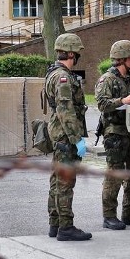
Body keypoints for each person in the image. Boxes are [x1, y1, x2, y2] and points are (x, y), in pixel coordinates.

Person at [95, 40, 130, 229]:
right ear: (123, 58)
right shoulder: (107, 79)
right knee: (115, 175)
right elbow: (101, 104)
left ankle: (129, 212)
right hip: (115, 133)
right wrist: (122, 100)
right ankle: (109, 216)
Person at [44, 33, 92, 242]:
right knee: (65, 182)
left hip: (59, 136)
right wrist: (77, 139)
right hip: (65, 137)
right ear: (71, 53)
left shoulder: (53, 73)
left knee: (56, 180)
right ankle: (66, 227)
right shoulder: (62, 77)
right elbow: (66, 110)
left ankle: (55, 224)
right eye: (77, 53)